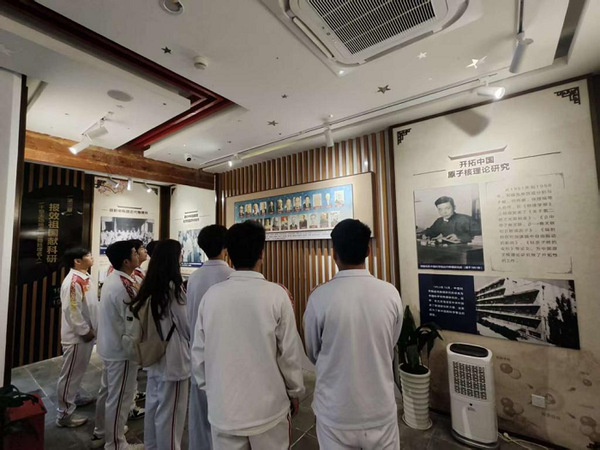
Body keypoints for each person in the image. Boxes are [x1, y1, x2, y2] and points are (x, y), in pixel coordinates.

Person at [192, 221, 304, 449]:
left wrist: (213, 389)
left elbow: (199, 354)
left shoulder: (211, 296)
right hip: (269, 409)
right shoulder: (277, 295)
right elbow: (289, 354)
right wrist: (295, 390)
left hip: (224, 410)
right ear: (261, 253)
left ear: (229, 254)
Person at [304, 219, 403, 450]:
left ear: (334, 254)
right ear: (368, 251)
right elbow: (391, 341)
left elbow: (312, 351)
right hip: (380, 409)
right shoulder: (390, 294)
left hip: (335, 411)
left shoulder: (319, 297)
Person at [128, 239, 190, 450]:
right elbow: (187, 326)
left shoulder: (150, 286)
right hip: (174, 360)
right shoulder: (173, 290)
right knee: (171, 417)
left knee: (154, 408)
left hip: (154, 357)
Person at [92, 241, 143, 450]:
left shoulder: (115, 279)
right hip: (121, 350)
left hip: (110, 345)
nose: (138, 255)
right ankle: (115, 443)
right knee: (120, 397)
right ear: (126, 261)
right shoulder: (124, 285)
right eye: (134, 252)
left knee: (108, 392)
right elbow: (135, 319)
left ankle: (102, 430)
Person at [187, 225, 234, 449]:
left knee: (199, 417)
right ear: (226, 247)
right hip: (226, 357)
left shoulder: (194, 278)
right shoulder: (230, 276)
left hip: (198, 354)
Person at [55, 247, 98, 428]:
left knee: (76, 372)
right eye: (87, 255)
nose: (91, 257)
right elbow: (72, 310)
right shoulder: (73, 282)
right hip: (77, 337)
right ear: (77, 261)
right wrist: (84, 331)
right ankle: (64, 414)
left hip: (86, 335)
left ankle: (74, 397)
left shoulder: (84, 277)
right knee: (70, 375)